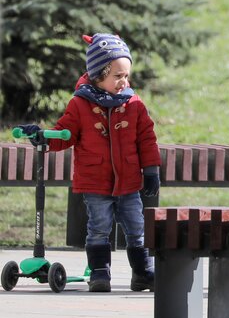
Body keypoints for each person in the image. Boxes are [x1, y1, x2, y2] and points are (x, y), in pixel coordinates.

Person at [17, 33, 160, 293]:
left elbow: (147, 138)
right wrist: (42, 137)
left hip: (128, 183)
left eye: (126, 75)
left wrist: (151, 170)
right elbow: (65, 134)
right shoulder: (80, 104)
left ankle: (143, 273)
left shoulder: (134, 104)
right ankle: (99, 273)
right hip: (95, 183)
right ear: (98, 74)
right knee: (99, 229)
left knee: (137, 229)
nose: (124, 82)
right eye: (117, 76)